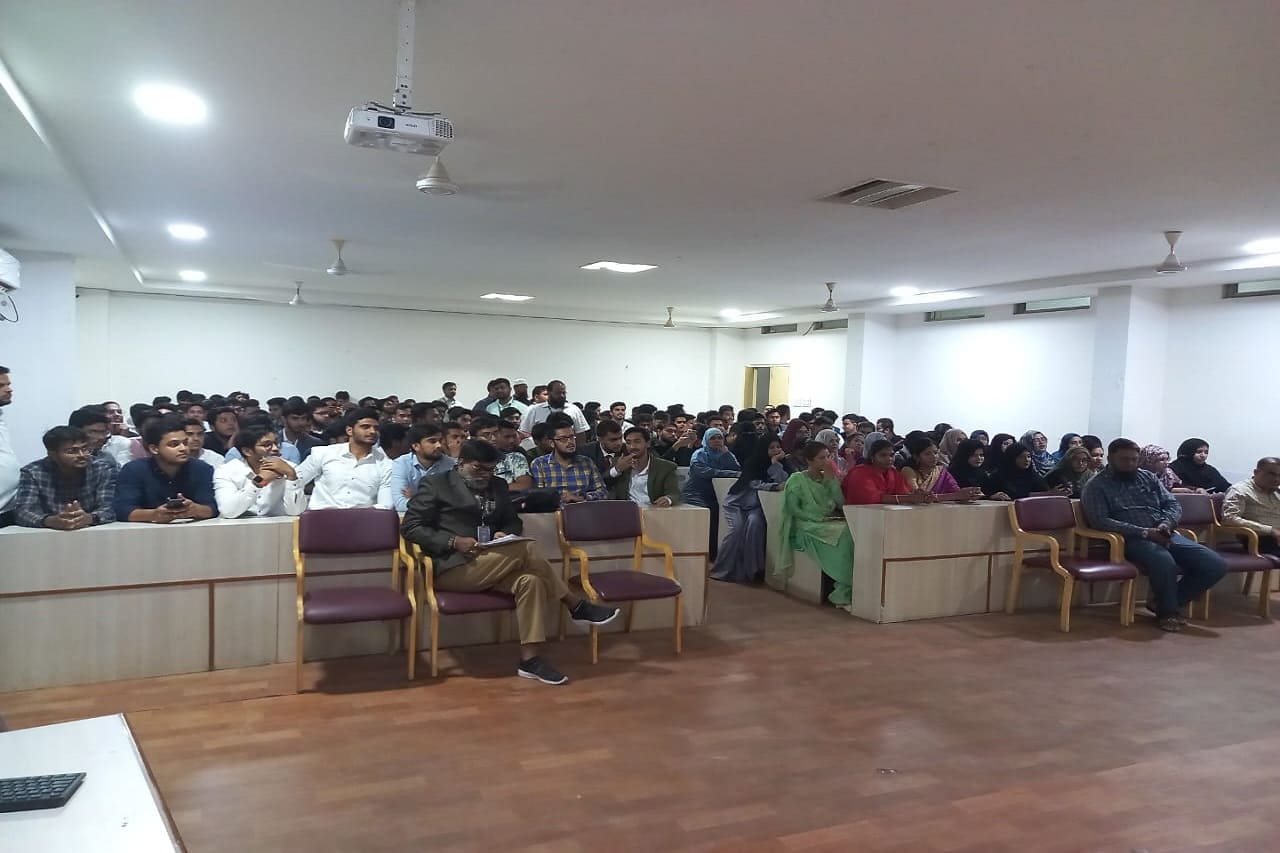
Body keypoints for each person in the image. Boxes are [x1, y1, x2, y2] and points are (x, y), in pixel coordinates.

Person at [401, 440, 619, 685]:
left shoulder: (498, 485)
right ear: (461, 463)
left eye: (490, 469)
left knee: (531, 581)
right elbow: (411, 527)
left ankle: (530, 660)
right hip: (452, 567)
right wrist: (453, 541)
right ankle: (575, 604)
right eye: (478, 468)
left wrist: (504, 532)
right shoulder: (436, 485)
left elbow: (513, 521)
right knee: (527, 547)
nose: (485, 475)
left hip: (492, 561)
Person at [1082, 438, 1227, 632]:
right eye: (1124, 459)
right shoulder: (1096, 485)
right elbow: (1100, 521)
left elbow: (1172, 504)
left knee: (1215, 564)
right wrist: (1144, 532)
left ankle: (1164, 602)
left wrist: (1166, 523)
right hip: (1129, 539)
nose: (1130, 464)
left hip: (1163, 532)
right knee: (1163, 560)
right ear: (1110, 459)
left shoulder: (1148, 477)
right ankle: (1168, 612)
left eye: (1134, 459)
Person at [774, 441, 854, 608]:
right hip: (806, 524)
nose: (827, 461)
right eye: (821, 458)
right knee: (845, 535)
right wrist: (817, 519)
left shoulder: (828, 478)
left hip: (827, 522)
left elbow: (841, 503)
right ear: (809, 461)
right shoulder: (797, 479)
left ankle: (846, 588)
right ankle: (842, 590)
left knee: (852, 531)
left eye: (828, 457)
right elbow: (794, 509)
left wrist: (832, 481)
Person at [113, 413, 218, 523]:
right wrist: (154, 515)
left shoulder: (202, 469)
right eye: (174, 444)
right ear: (154, 449)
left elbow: (212, 508)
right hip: (146, 530)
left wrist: (195, 510)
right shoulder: (133, 470)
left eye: (185, 443)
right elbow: (123, 510)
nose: (183, 448)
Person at [710, 436, 787, 584]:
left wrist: (775, 464)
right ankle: (721, 570)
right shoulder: (752, 463)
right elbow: (754, 483)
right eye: (772, 448)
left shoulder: (782, 463)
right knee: (737, 529)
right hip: (737, 503)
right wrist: (772, 486)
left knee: (754, 524)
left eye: (778, 447)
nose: (776, 450)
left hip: (758, 506)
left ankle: (752, 571)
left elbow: (784, 481)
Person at [14, 426, 118, 529]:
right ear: (52, 454)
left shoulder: (103, 469)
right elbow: (23, 511)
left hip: (91, 530)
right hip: (49, 533)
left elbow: (110, 508)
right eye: (72, 451)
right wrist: (50, 521)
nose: (82, 455)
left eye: (85, 449)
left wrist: (89, 518)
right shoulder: (33, 472)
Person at [290, 408, 393, 510]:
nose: (372, 431)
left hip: (363, 518)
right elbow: (296, 480)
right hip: (322, 517)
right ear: (349, 430)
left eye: (376, 428)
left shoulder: (385, 464)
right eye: (365, 427)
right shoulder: (324, 454)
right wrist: (295, 508)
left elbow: (385, 505)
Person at [212, 425, 305, 518]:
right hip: (240, 525)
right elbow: (228, 512)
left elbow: (295, 511)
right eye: (267, 445)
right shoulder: (226, 471)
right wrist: (259, 481)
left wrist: (292, 476)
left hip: (278, 525)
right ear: (247, 451)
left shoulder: (291, 469)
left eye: (276, 443)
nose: (275, 449)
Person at [681, 427, 740, 556]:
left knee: (722, 516)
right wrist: (729, 473)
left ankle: (715, 553)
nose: (717, 441)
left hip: (716, 495)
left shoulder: (726, 453)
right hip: (695, 494)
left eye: (720, 438)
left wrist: (726, 455)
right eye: (712, 438)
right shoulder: (699, 454)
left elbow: (737, 470)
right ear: (706, 440)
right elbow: (703, 472)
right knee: (707, 514)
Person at [528, 417, 607, 503]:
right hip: (553, 509)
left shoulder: (587, 462)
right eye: (563, 439)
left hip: (582, 508)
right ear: (552, 443)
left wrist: (583, 497)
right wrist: (559, 499)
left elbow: (603, 492)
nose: (570, 442)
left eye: (572, 437)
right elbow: (538, 497)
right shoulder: (539, 464)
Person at [390, 424, 456, 512]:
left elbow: (455, 502)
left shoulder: (450, 464)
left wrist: (415, 499)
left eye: (440, 441)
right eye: (432, 441)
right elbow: (400, 504)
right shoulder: (401, 464)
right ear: (416, 446)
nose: (439, 445)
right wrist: (438, 502)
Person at [607, 427, 679, 508]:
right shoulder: (618, 462)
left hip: (654, 510)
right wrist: (617, 469)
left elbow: (674, 493)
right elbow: (604, 482)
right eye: (628, 442)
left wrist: (668, 499)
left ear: (648, 443)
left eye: (637, 442)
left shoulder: (666, 467)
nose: (632, 446)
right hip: (626, 511)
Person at [1222, 458, 1280, 556]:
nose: (1276, 479)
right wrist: (1271, 531)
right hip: (1258, 538)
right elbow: (1229, 519)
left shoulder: (1276, 492)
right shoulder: (1240, 490)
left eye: (1279, 475)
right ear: (1256, 472)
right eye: (1271, 474)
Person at [844, 438, 927, 505]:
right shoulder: (859, 473)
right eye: (883, 455)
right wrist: (907, 498)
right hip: (858, 515)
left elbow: (903, 492)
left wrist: (919, 496)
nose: (889, 459)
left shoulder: (893, 473)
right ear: (872, 457)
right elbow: (871, 498)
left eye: (892, 455)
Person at [901, 436, 983, 501]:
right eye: (927, 454)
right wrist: (955, 496)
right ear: (916, 457)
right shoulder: (908, 470)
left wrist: (968, 492)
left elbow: (955, 490)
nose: (934, 457)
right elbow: (918, 497)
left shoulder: (941, 471)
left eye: (936, 453)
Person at [987, 442, 1064, 500]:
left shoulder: (1033, 475)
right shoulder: (998, 476)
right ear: (1011, 458)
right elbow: (987, 495)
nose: (1026, 460)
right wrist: (992, 496)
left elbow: (1041, 493)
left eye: (1028, 456)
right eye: (1021, 457)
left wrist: (1052, 494)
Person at [947, 438, 1011, 500]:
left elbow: (987, 492)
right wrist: (989, 497)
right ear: (964, 456)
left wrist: (998, 495)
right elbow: (958, 495)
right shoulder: (952, 473)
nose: (979, 458)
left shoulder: (981, 473)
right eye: (973, 455)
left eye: (981, 455)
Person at [581, 420, 626, 488]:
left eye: (620, 438)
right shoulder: (586, 452)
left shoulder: (627, 451)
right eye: (613, 440)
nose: (619, 443)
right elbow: (591, 482)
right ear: (600, 439)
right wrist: (616, 470)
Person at [493, 421, 533, 492]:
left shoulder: (517, 456)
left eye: (514, 436)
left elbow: (524, 486)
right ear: (494, 437)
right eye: (507, 437)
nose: (512, 440)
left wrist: (492, 489)